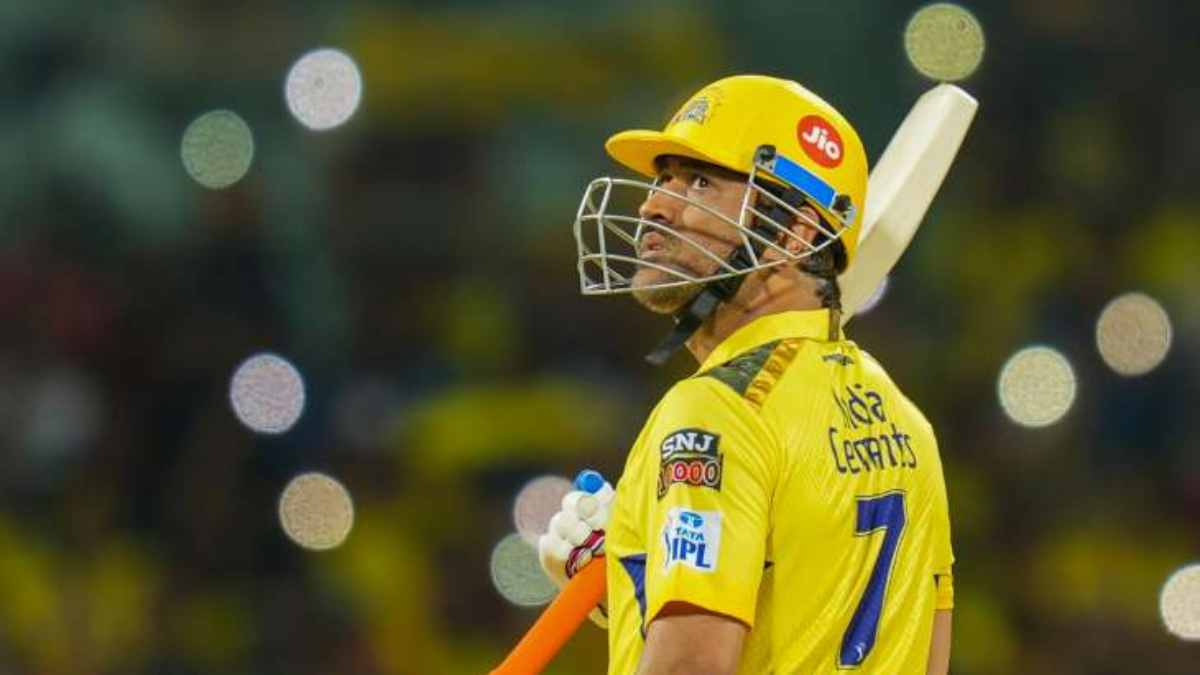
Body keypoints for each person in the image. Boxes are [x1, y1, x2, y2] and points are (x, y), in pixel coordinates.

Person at [540, 74, 954, 674]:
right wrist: (639, 573)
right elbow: (929, 655)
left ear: (797, 231)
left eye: (700, 183)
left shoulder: (715, 413)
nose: (654, 205)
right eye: (662, 180)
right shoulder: (907, 423)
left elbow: (690, 668)